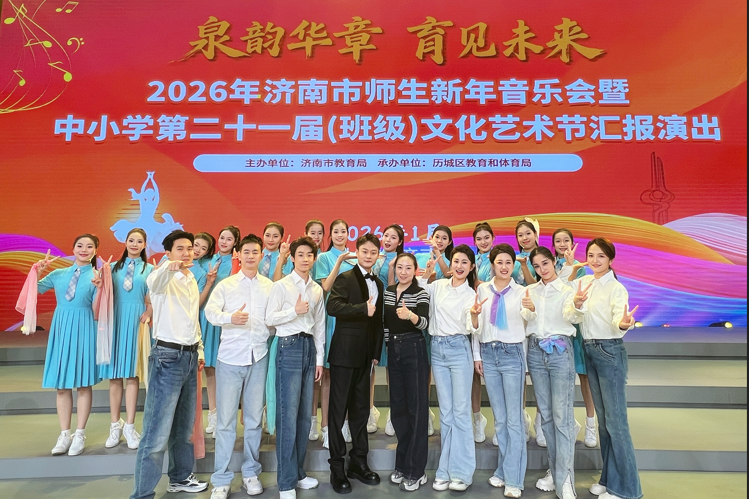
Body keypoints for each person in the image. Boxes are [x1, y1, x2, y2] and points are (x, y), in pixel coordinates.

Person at [131, 230, 208, 499]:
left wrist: (199, 350)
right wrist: (167, 267)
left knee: (184, 427)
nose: (186, 253)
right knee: (156, 431)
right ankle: (142, 493)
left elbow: (192, 318)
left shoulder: (191, 278)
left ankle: (180, 477)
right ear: (168, 252)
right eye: (180, 249)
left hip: (190, 356)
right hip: (167, 357)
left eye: (189, 248)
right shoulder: (162, 275)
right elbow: (153, 283)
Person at [566, 238, 643, 499]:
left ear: (610, 259)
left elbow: (619, 318)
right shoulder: (585, 282)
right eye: (591, 255)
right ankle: (609, 479)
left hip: (609, 351)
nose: (595, 260)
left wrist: (623, 323)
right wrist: (571, 273)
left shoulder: (616, 288)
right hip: (589, 349)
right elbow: (569, 304)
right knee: (604, 422)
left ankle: (627, 489)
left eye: (601, 256)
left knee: (616, 423)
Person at [205, 234, 274, 499]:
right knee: (225, 422)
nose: (250, 256)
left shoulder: (269, 286)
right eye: (246, 252)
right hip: (230, 359)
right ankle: (221, 479)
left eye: (255, 252)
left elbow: (273, 320)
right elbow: (210, 313)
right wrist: (230, 318)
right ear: (239, 255)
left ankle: (250, 473)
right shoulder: (226, 285)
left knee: (254, 420)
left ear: (260, 255)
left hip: (259, 357)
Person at [522, 247, 587, 499]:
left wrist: (578, 305)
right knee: (546, 416)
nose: (542, 269)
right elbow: (527, 319)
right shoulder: (531, 290)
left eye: (545, 263)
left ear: (553, 262)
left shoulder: (567, 290)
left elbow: (571, 316)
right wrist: (528, 309)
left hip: (560, 351)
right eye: (537, 266)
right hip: (536, 352)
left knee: (562, 416)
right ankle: (555, 470)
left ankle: (566, 478)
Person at [265, 236, 325, 499]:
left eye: (309, 255)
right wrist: (294, 311)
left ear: (314, 258)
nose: (305, 259)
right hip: (287, 346)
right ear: (292, 258)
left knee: (303, 416)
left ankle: (299, 473)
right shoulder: (281, 286)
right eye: (300, 254)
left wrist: (320, 359)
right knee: (288, 416)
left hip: (309, 347)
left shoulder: (317, 289)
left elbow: (320, 325)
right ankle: (286, 482)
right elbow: (269, 319)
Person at [326, 233, 385, 494]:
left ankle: (359, 462)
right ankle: (337, 466)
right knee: (338, 412)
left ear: (378, 255)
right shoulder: (346, 277)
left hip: (366, 356)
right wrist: (362, 308)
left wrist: (375, 352)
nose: (369, 256)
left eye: (373, 252)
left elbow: (377, 321)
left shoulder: (378, 282)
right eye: (365, 251)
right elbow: (333, 306)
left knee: (361, 410)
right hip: (344, 354)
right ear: (357, 252)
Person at [35, 234, 101, 456]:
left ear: (95, 251)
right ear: (73, 249)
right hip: (62, 329)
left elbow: (100, 310)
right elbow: (32, 291)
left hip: (85, 328)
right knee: (62, 386)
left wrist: (100, 288)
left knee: (83, 384)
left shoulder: (98, 276)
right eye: (80, 245)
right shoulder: (58, 274)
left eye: (89, 246)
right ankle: (64, 434)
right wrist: (37, 271)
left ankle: (79, 434)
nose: (84, 249)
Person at [420, 244, 478, 492]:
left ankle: (462, 472)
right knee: (446, 413)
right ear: (450, 263)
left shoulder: (472, 294)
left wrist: (474, 316)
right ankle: (444, 470)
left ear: (471, 267)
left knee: (461, 412)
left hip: (459, 349)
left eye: (465, 262)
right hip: (437, 349)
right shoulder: (438, 286)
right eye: (456, 261)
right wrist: (427, 273)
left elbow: (472, 328)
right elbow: (418, 291)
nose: (459, 266)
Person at [471, 244, 527, 498]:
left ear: (514, 265)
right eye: (499, 262)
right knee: (501, 418)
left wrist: (525, 363)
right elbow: (476, 324)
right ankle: (504, 470)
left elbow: (527, 327)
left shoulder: (522, 292)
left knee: (514, 420)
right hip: (488, 354)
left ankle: (514, 479)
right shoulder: (482, 289)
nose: (504, 267)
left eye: (508, 262)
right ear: (492, 264)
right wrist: (477, 355)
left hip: (512, 354)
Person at [101, 228, 153, 450]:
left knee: (132, 376)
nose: (134, 244)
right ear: (125, 242)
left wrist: (148, 312)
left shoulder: (150, 269)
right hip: (115, 321)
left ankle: (130, 426)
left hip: (136, 322)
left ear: (144, 245)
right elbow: (102, 295)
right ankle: (115, 425)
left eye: (139, 241)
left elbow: (153, 299)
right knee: (115, 377)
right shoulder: (111, 268)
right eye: (131, 240)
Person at [383, 253, 431, 492]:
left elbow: (424, 323)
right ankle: (402, 465)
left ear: (415, 270)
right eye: (400, 267)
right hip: (394, 349)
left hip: (414, 347)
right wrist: (386, 347)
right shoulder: (389, 292)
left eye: (408, 268)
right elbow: (385, 324)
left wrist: (410, 315)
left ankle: (417, 471)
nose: (403, 272)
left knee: (417, 409)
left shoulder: (421, 293)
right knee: (398, 408)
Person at [313, 219, 357, 448]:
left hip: (352, 319)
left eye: (344, 231)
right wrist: (339, 261)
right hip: (331, 318)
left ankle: (344, 423)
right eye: (336, 232)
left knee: (348, 375)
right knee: (329, 375)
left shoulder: (356, 257)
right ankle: (326, 426)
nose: (340, 235)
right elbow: (326, 287)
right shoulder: (324, 258)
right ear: (330, 235)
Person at [553, 228, 597, 448]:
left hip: (577, 329)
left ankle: (591, 424)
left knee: (584, 378)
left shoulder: (581, 267)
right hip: (558, 329)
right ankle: (569, 423)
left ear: (572, 243)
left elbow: (572, 294)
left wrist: (571, 267)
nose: (562, 244)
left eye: (566, 241)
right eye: (558, 241)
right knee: (562, 380)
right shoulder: (550, 265)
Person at [204, 225, 240, 435]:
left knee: (225, 369)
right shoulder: (206, 260)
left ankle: (228, 416)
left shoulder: (237, 262)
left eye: (229, 239)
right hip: (207, 318)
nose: (224, 242)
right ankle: (213, 414)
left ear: (235, 242)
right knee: (210, 368)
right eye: (222, 237)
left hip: (227, 320)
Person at [371, 224, 404, 436]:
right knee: (370, 364)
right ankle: (369, 411)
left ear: (399, 242)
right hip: (371, 313)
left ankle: (394, 413)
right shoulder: (374, 256)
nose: (388, 240)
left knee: (393, 366)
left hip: (391, 314)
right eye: (386, 236)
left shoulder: (401, 261)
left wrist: (392, 267)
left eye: (393, 237)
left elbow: (393, 289)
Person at [471, 222, 495, 443]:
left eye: (486, 237)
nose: (483, 242)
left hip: (493, 316)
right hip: (472, 314)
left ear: (493, 238)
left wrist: (482, 284)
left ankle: (501, 422)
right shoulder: (470, 259)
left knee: (494, 373)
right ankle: (477, 419)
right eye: (479, 238)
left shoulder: (498, 259)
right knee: (473, 373)